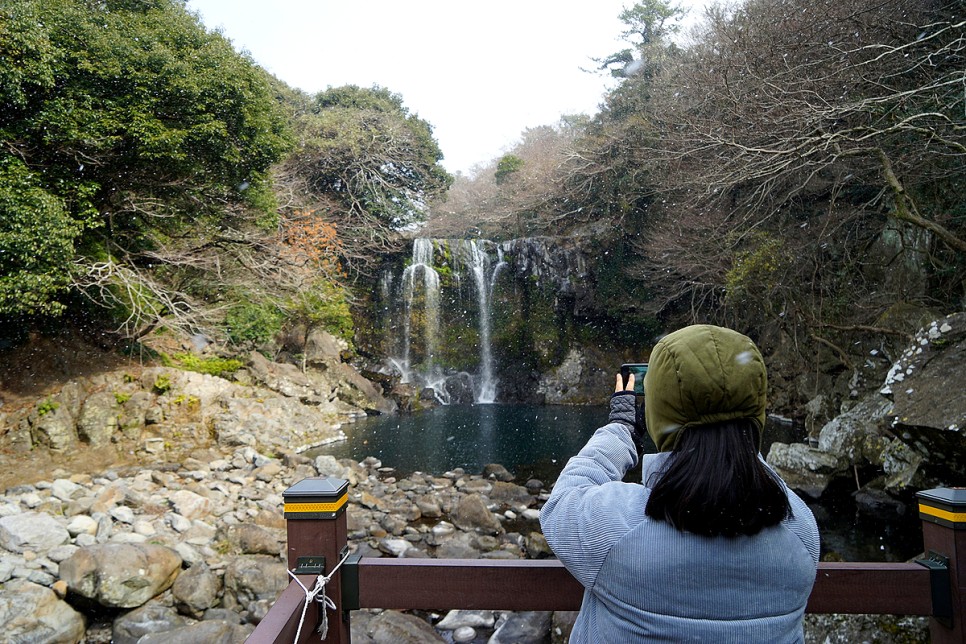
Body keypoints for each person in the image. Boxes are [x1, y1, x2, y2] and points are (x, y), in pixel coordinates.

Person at [540, 324, 819, 642]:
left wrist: (621, 427)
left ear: (658, 412)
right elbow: (756, 472)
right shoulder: (800, 532)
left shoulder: (618, 529)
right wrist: (740, 439)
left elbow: (564, 499)